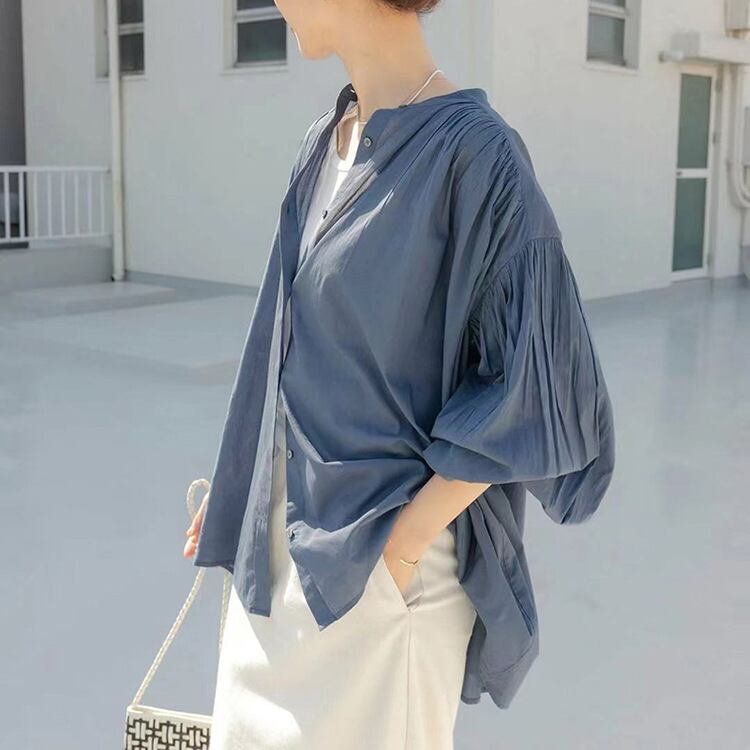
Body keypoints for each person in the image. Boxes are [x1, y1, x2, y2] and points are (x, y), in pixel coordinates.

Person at [184, 0, 616, 748]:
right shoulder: (327, 139)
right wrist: (245, 484)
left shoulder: (477, 155)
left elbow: (545, 386)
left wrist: (403, 548)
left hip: (378, 588)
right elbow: (294, 347)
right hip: (279, 573)